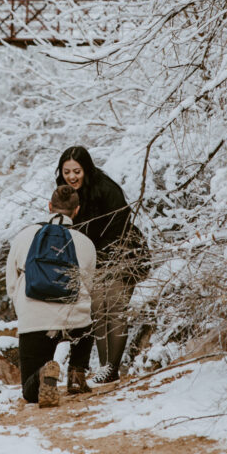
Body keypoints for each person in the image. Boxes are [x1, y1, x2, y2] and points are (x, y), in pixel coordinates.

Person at [56, 145, 148, 384]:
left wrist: (103, 258)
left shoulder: (106, 189)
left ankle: (111, 368)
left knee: (114, 308)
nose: (72, 176)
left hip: (122, 253)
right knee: (97, 309)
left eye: (77, 171)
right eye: (67, 172)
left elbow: (121, 225)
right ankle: (106, 368)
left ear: (86, 169)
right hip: (93, 258)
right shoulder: (66, 192)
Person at [6, 184, 96, 407]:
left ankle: (41, 375)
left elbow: (11, 283)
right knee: (88, 322)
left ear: (49, 207)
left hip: (34, 320)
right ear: (77, 210)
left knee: (29, 392)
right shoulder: (85, 243)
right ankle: (76, 374)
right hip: (74, 320)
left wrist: (25, 311)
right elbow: (88, 286)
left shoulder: (24, 236)